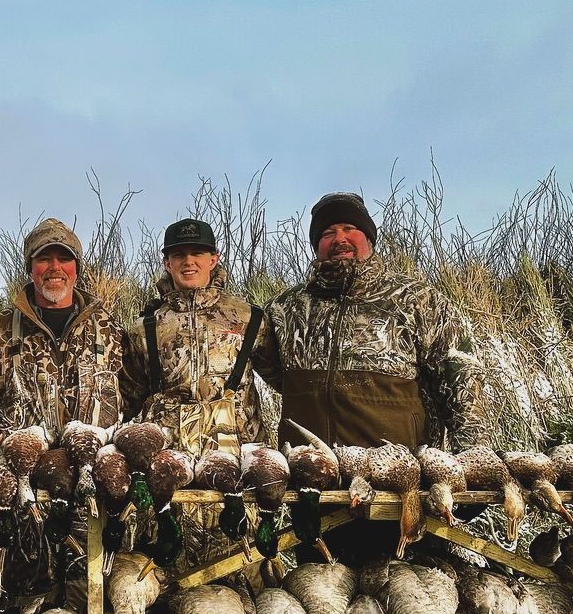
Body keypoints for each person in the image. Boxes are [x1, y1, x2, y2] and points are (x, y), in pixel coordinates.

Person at [253, 192, 485, 452]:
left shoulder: (418, 300)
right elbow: (273, 373)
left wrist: (471, 456)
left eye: (349, 229)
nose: (339, 239)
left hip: (398, 472)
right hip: (310, 468)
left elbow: (461, 381)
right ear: (317, 244)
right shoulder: (285, 308)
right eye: (327, 233)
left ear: (368, 238)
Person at [121, 218, 270, 454]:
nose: (188, 261)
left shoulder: (249, 318)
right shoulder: (144, 328)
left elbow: (285, 382)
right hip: (167, 458)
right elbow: (125, 399)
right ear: (167, 263)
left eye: (197, 253)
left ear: (213, 260)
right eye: (179, 255)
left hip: (241, 456)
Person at [0, 218, 124, 436]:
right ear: (30, 268)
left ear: (77, 269)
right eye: (44, 259)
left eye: (65, 259)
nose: (55, 267)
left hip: (96, 464)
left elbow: (134, 401)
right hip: (20, 466)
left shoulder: (110, 331)